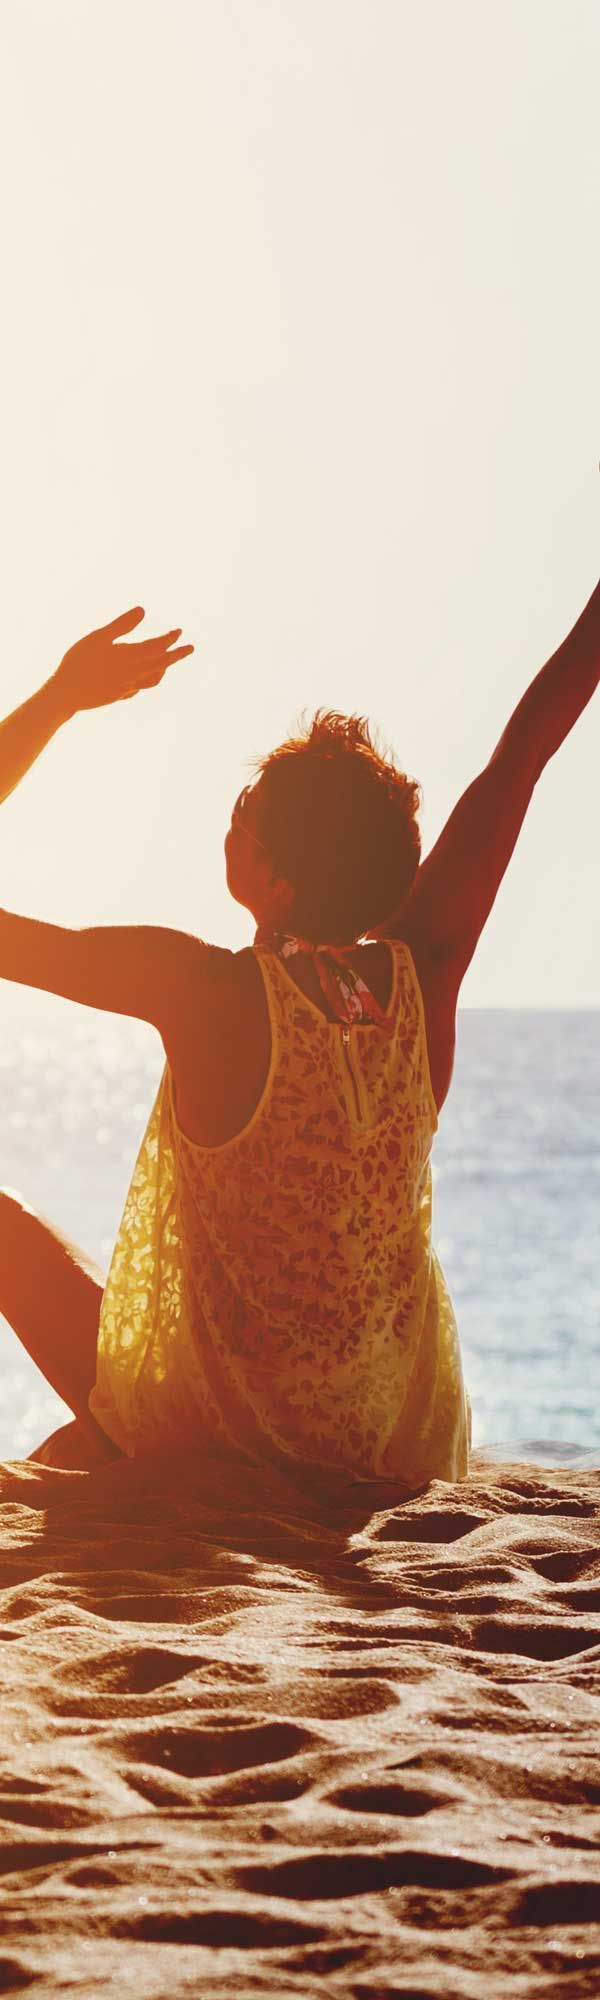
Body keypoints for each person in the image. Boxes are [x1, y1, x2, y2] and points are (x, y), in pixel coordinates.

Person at [0, 580, 598, 1480]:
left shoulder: (202, 989)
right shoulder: (424, 963)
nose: (229, 817)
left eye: (247, 811)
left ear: (274, 882)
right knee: (85, 1405)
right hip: (388, 1443)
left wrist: (57, 700)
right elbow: (523, 754)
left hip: (223, 1436)